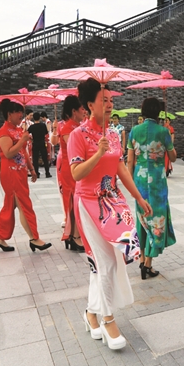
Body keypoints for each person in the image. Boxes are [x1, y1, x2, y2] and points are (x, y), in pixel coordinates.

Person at [70, 78, 153, 351]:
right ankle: (108, 319)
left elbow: (121, 169)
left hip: (112, 203)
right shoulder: (78, 135)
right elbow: (76, 173)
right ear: (89, 104)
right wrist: (97, 154)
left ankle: (91, 313)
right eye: (103, 100)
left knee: (108, 261)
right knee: (104, 262)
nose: (109, 104)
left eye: (111, 100)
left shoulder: (114, 134)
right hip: (88, 203)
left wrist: (138, 197)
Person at [127, 98, 177, 280]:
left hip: (139, 179)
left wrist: (130, 184)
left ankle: (142, 259)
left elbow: (130, 161)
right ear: (158, 112)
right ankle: (148, 263)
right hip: (157, 180)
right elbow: (173, 157)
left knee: (142, 218)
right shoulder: (163, 132)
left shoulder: (134, 131)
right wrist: (169, 140)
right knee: (156, 219)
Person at [0, 99, 51, 253]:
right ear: (9, 114)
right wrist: (22, 141)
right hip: (10, 173)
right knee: (24, 204)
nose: (21, 115)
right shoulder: (4, 131)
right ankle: (34, 238)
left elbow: (23, 152)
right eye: (18, 112)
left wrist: (31, 169)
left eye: (21, 112)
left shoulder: (19, 130)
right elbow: (8, 153)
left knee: (10, 205)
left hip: (20, 172)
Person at [58, 96, 85, 251]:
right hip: (70, 170)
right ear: (74, 111)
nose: (84, 111)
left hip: (75, 168)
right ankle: (75, 236)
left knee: (76, 201)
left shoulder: (77, 126)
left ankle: (73, 235)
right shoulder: (68, 128)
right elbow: (74, 149)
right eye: (82, 109)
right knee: (74, 201)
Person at [28, 113, 51, 178]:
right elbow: (46, 132)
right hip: (42, 143)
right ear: (39, 118)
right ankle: (47, 173)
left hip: (35, 143)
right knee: (45, 158)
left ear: (33, 118)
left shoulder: (32, 127)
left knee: (35, 159)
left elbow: (27, 133)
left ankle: (37, 173)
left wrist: (31, 138)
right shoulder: (43, 125)